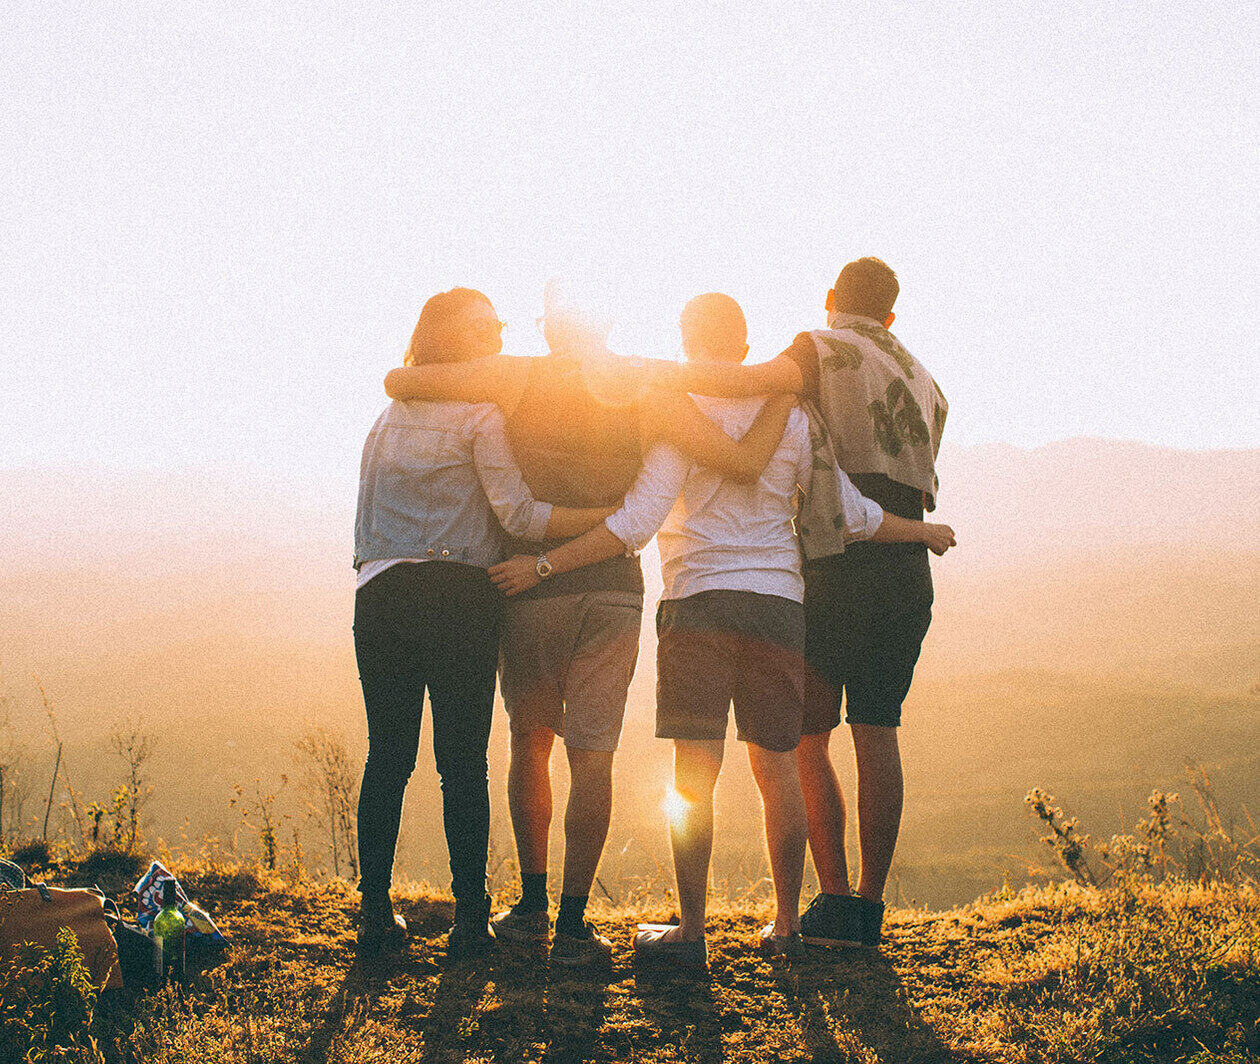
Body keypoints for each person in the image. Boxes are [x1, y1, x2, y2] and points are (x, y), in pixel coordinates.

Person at [489, 292, 954, 965]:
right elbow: (853, 514)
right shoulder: (794, 416)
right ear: (744, 346)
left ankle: (692, 931)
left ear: (685, 340)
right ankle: (788, 925)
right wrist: (925, 532)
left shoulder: (677, 413)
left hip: (697, 603)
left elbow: (637, 522)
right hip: (778, 607)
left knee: (693, 777)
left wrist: (545, 564)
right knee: (778, 771)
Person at [382, 282, 794, 968]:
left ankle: (532, 905)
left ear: (548, 328)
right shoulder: (646, 384)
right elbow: (734, 457)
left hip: (527, 586)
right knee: (593, 755)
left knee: (530, 741)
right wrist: (783, 389)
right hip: (612, 590)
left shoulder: (516, 375)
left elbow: (404, 379)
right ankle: (574, 924)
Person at [647, 260, 950, 949]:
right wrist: (923, 532)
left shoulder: (819, 348)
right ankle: (867, 910)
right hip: (903, 565)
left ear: (831, 300)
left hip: (836, 563)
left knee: (804, 740)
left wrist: (648, 375)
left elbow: (750, 384)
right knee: (879, 732)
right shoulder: (926, 379)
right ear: (892, 316)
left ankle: (832, 902)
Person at [352, 287, 615, 957]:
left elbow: (367, 522)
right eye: (486, 328)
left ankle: (375, 915)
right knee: (461, 764)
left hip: (381, 593)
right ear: (454, 342)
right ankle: (471, 920)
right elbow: (521, 517)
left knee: (388, 757)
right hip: (460, 597)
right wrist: (608, 520)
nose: (498, 335)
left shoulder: (386, 419)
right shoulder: (480, 416)